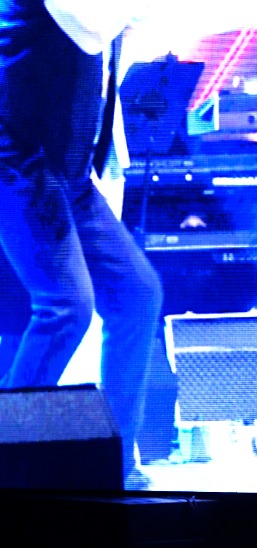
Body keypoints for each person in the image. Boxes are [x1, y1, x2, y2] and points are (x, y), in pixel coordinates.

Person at [0, 2, 161, 487]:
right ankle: (9, 464)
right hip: (18, 165)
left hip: (66, 172)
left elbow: (127, 31)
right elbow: (93, 27)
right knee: (66, 305)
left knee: (137, 294)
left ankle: (115, 464)